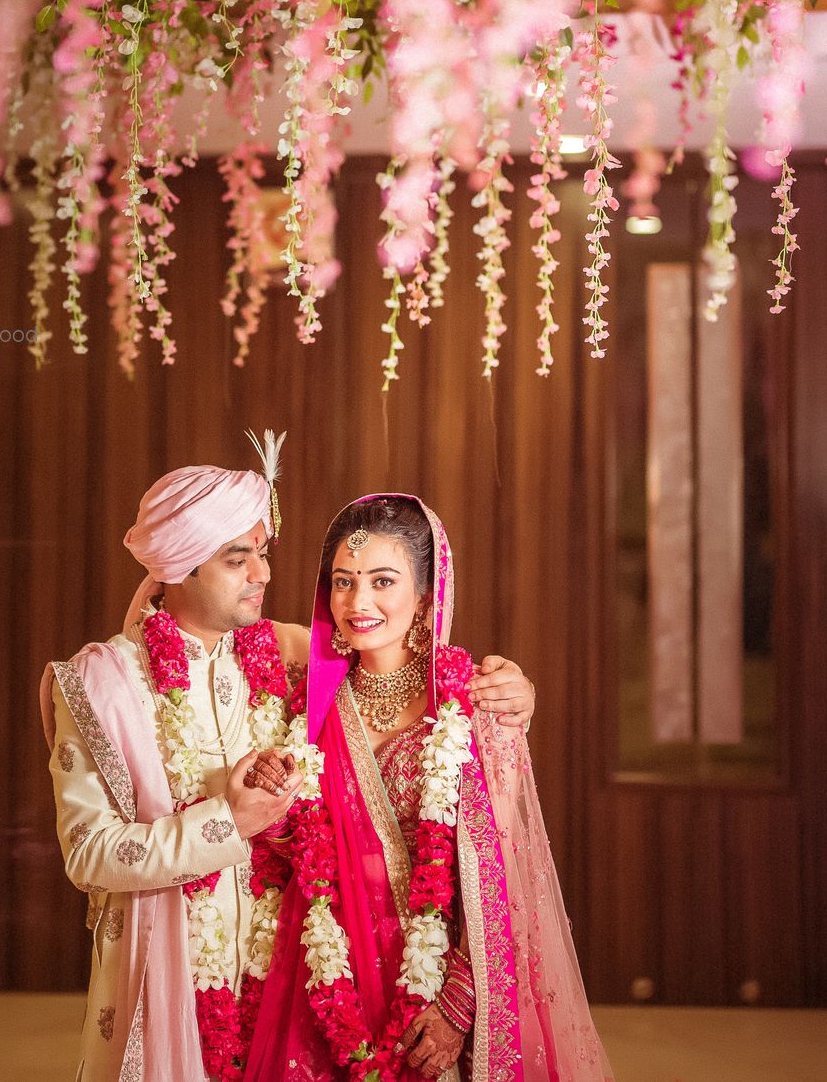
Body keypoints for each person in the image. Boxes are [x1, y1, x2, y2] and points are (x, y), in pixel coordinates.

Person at [40, 458, 536, 1082]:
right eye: (236, 558)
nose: (263, 574)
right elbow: (88, 854)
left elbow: (397, 654)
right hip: (170, 975)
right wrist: (228, 822)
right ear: (179, 564)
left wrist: (514, 691)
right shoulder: (101, 684)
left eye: (263, 552)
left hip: (297, 989)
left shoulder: (291, 654)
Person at [244, 494, 612, 1082]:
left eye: (382, 581)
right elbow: (303, 856)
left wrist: (459, 1006)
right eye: (342, 582)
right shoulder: (310, 705)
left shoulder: (476, 706)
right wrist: (270, 804)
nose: (358, 603)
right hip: (326, 976)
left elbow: (506, 875)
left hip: (439, 985)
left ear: (424, 595)